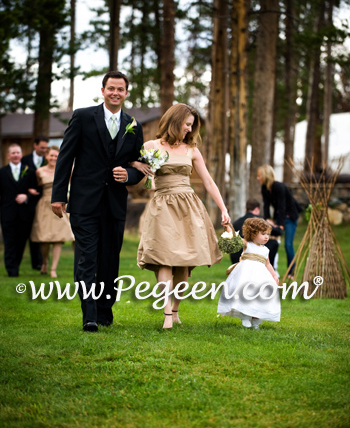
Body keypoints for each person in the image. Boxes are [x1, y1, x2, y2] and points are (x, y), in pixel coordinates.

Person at [51, 71, 144, 332]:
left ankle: (104, 311)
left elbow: (140, 166)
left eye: (120, 89)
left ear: (126, 93)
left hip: (114, 204)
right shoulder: (82, 116)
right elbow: (65, 157)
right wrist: (59, 195)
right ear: (102, 90)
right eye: (111, 88)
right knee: (87, 260)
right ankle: (89, 315)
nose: (115, 93)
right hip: (84, 202)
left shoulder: (133, 124)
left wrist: (129, 175)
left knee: (109, 261)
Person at [135, 103, 231, 329]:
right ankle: (167, 314)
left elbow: (208, 181)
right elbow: (135, 167)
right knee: (164, 259)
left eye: (192, 126)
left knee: (185, 266)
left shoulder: (192, 150)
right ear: (174, 120)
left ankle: (176, 310)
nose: (189, 129)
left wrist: (224, 209)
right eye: (187, 124)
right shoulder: (150, 146)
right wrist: (135, 164)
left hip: (188, 207)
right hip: (162, 207)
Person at [217, 217, 280, 329]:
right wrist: (228, 229)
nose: (266, 237)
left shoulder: (266, 250)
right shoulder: (247, 244)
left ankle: (256, 318)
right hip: (246, 274)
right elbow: (235, 238)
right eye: (263, 234)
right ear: (253, 234)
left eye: (267, 234)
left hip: (260, 276)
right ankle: (245, 315)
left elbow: (268, 264)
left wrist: (274, 275)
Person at [31, 146, 74, 278]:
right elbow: (36, 186)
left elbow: (71, 185)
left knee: (58, 238)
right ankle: (45, 262)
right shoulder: (39, 171)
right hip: (44, 206)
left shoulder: (66, 170)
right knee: (45, 239)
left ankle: (53, 269)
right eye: (51, 156)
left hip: (60, 204)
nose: (54, 158)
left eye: (56, 156)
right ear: (46, 156)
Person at [257, 165, 302, 278]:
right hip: (279, 217)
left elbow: (282, 206)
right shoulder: (264, 188)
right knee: (272, 243)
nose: (258, 178)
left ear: (265, 176)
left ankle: (291, 272)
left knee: (288, 244)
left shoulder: (279, 187)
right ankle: (270, 269)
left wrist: (281, 225)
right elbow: (266, 205)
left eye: (259, 176)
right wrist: (267, 219)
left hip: (289, 217)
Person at [0, 144, 37, 277]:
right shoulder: (2, 172)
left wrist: (26, 196)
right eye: (13, 153)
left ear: (21, 155)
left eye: (18, 152)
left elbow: (36, 192)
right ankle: (12, 270)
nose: (16, 155)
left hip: (24, 214)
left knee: (21, 242)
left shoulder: (30, 171)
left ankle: (16, 265)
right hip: (7, 213)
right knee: (9, 242)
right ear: (8, 155)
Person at [21, 135, 49, 271]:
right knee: (27, 232)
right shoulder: (24, 160)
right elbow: (19, 181)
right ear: (35, 145)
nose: (44, 150)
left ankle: (39, 262)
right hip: (28, 203)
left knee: (40, 231)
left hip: (43, 202)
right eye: (42, 147)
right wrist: (27, 190)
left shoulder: (48, 161)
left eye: (46, 148)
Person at [230, 198, 282, 269]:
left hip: (235, 257)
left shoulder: (236, 222)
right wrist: (277, 226)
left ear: (246, 209)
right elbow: (278, 232)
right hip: (251, 257)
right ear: (257, 209)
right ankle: (270, 267)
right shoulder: (259, 221)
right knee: (274, 243)